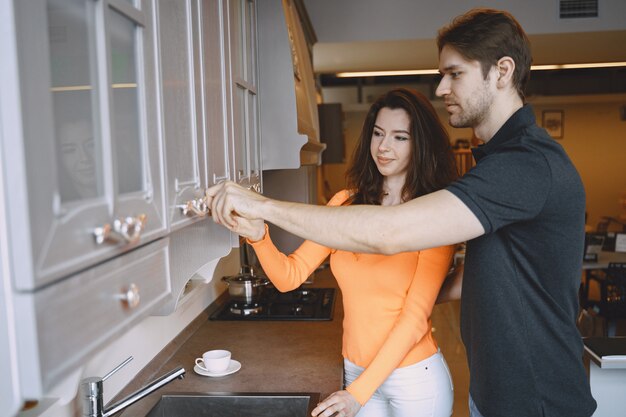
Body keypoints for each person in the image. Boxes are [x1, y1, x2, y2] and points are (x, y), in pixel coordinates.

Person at [207, 8, 597, 417]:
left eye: (455, 73)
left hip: (536, 401)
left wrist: (262, 205)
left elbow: (388, 233)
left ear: (502, 71)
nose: (441, 86)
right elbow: (498, 268)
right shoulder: (498, 163)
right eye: (378, 134)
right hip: (496, 392)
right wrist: (258, 232)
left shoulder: (525, 165)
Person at [235, 88, 458, 417]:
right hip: (355, 369)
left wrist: (358, 394)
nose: (383, 147)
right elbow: (289, 276)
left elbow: (413, 320)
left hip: (414, 380)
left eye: (399, 137)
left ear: (420, 145)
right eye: (378, 134)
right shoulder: (345, 203)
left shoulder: (432, 216)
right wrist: (258, 236)